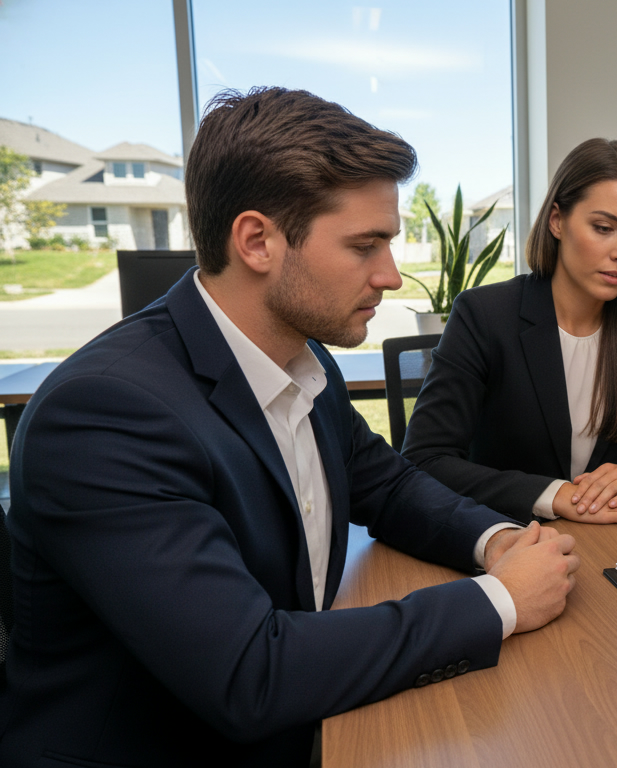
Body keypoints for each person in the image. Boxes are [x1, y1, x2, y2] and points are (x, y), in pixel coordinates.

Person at [0, 87, 579, 767]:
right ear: (256, 241)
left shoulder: (304, 361)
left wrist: (497, 541)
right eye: (366, 245)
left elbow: (386, 485)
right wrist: (498, 602)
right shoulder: (105, 415)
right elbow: (252, 674)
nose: (391, 276)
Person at [402, 138, 617, 526]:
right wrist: (558, 495)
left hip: (604, 546)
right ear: (557, 221)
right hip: (503, 541)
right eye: (604, 227)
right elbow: (425, 460)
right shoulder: (484, 315)